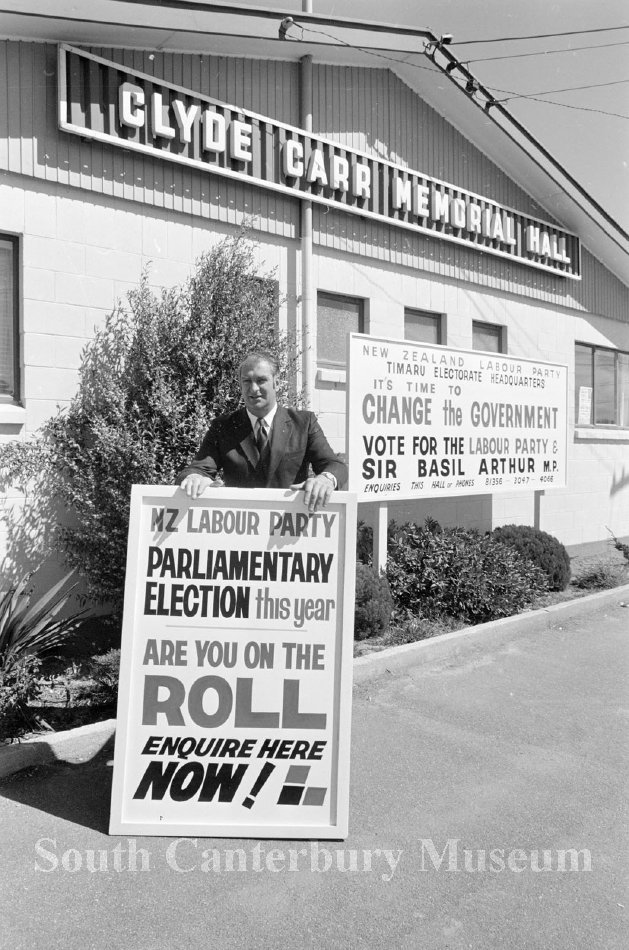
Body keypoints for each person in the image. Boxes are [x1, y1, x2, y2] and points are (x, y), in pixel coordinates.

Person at [178, 350, 347, 512]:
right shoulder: (223, 426)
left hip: (288, 528)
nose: (253, 389)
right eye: (247, 381)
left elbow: (335, 465)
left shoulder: (304, 423)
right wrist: (194, 478)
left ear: (276, 382)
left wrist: (326, 479)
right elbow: (198, 469)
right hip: (241, 529)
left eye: (261, 380)